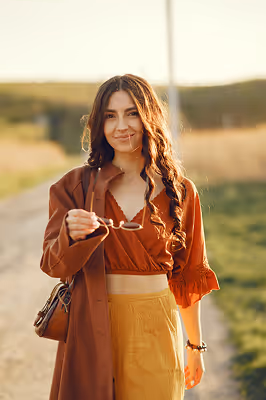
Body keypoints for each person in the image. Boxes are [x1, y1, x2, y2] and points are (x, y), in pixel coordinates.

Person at [40, 74, 220, 400]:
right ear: (99, 124)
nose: (121, 125)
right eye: (110, 116)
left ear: (149, 116)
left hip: (157, 326)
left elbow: (188, 278)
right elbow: (53, 264)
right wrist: (69, 233)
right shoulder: (73, 187)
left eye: (132, 113)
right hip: (91, 325)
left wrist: (195, 345)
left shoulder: (181, 191)